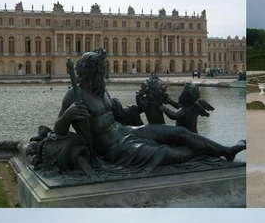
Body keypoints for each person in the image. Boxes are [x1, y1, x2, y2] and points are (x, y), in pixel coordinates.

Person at [51, 49, 243, 171]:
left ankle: (226, 151)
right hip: (114, 149)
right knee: (169, 154)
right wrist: (68, 115)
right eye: (100, 71)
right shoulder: (74, 96)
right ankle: (205, 153)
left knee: (180, 132)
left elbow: (121, 115)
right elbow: (57, 132)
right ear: (90, 72)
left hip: (126, 132)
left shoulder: (101, 91)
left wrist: (142, 106)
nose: (103, 74)